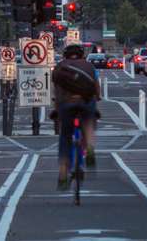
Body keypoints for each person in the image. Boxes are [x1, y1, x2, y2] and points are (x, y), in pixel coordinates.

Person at [50, 43, 99, 190]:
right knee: (89, 122)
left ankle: (63, 174)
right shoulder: (90, 67)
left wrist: (56, 109)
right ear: (82, 55)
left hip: (66, 104)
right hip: (85, 102)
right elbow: (96, 87)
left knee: (65, 137)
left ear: (65, 55)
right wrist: (97, 98)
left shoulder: (59, 68)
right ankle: (90, 147)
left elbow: (54, 93)